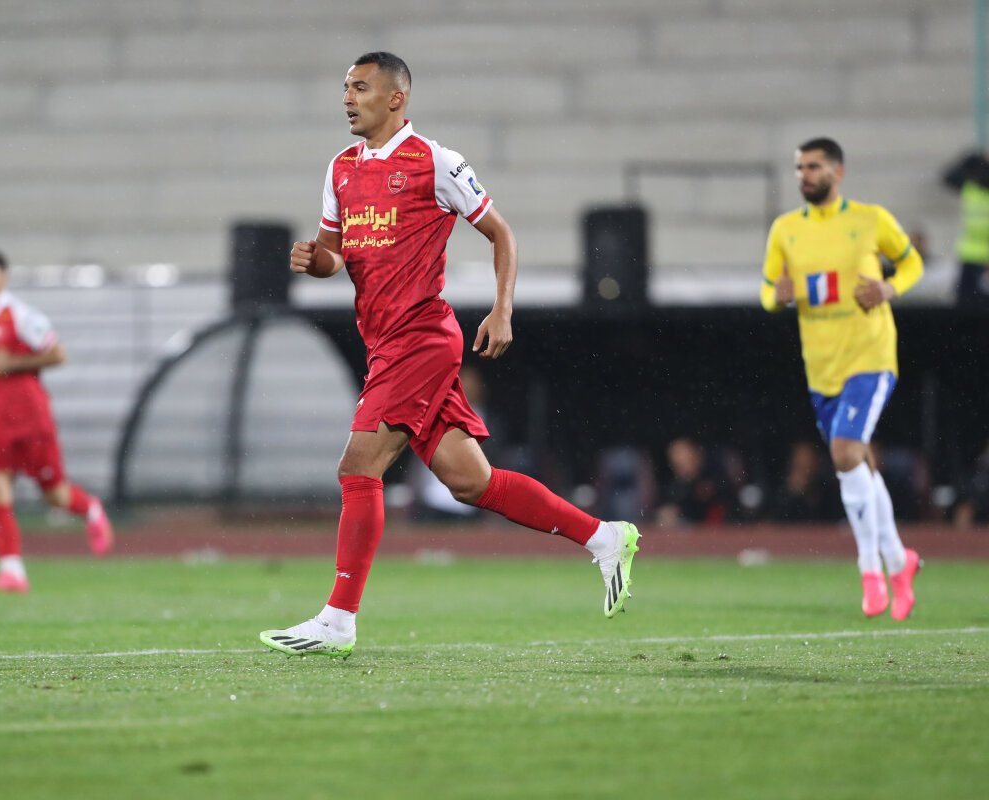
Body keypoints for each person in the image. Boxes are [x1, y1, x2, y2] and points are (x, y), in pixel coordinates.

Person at [259, 52, 639, 658]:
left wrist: (502, 308)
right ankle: (603, 538)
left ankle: (338, 619)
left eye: (360, 87)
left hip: (421, 338)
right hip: (383, 342)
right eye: (345, 88)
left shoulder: (435, 161)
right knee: (471, 482)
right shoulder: (340, 169)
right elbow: (335, 254)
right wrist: (316, 261)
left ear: (395, 97)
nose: (348, 98)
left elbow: (501, 233)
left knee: (358, 469)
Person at [760, 138, 924, 620]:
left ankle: (870, 569)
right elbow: (767, 291)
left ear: (837, 171)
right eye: (799, 168)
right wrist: (778, 296)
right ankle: (900, 560)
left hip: (870, 356)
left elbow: (912, 262)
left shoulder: (871, 220)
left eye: (813, 166)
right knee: (859, 464)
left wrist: (889, 287)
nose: (805, 175)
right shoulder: (786, 229)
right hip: (822, 367)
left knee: (845, 452)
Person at [0, 248, 114, 593]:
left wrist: (13, 363)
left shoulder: (21, 316)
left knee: (55, 495)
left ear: (3, 278)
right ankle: (12, 572)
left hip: (30, 418)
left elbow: (58, 354)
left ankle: (91, 508)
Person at [940, 150, 989, 307]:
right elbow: (948, 177)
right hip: (969, 253)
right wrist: (976, 157)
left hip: (982, 256)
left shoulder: (971, 188)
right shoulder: (971, 188)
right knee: (965, 301)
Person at [654, 437, 734, 527]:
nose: (679, 462)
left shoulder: (716, 477)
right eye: (676, 464)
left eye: (684, 459)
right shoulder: (675, 487)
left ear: (696, 456)